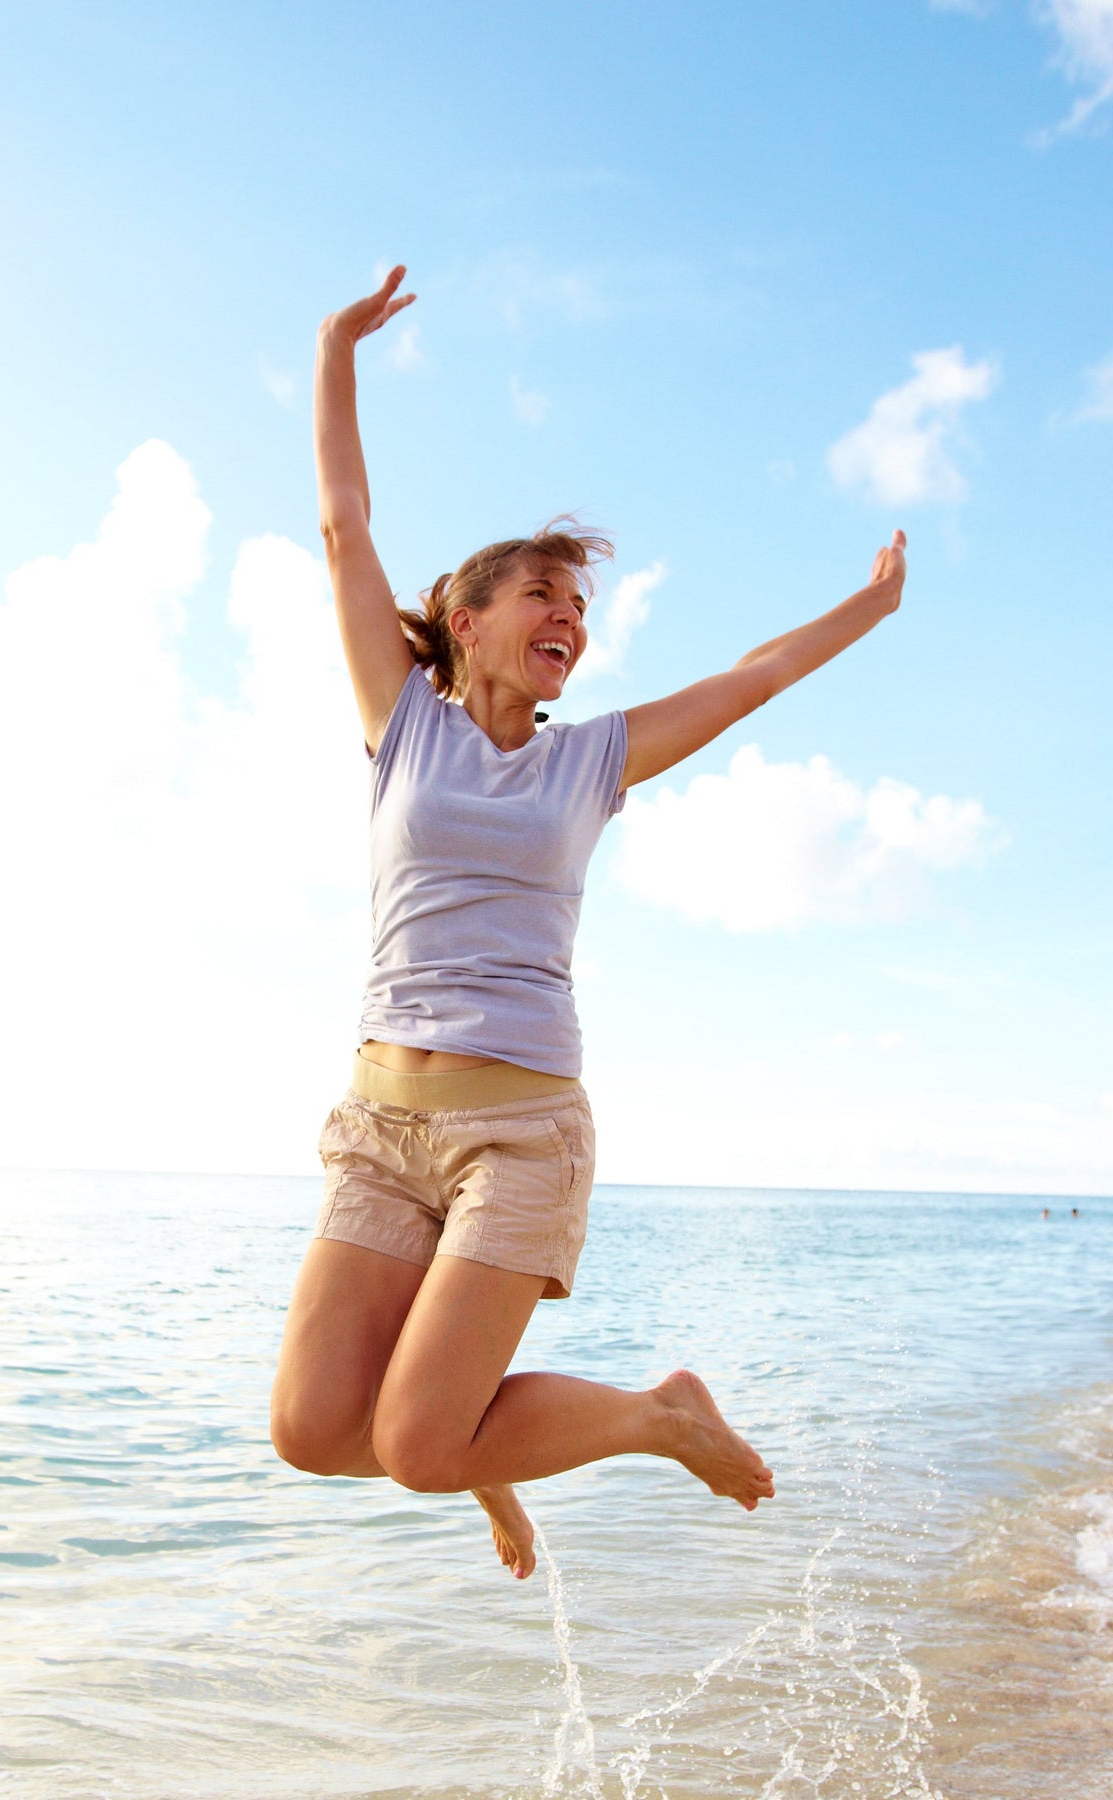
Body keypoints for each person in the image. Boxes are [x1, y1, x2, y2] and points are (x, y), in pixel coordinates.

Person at [270, 266, 907, 1581]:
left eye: (582, 610)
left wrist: (871, 606)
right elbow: (342, 524)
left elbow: (755, 675)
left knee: (415, 1436)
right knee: (313, 1428)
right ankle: (477, 1460)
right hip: (384, 1128)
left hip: (520, 1133)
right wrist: (334, 348)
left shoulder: (593, 759)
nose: (570, 619)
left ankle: (659, 1416)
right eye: (545, 597)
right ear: (467, 618)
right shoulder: (402, 725)